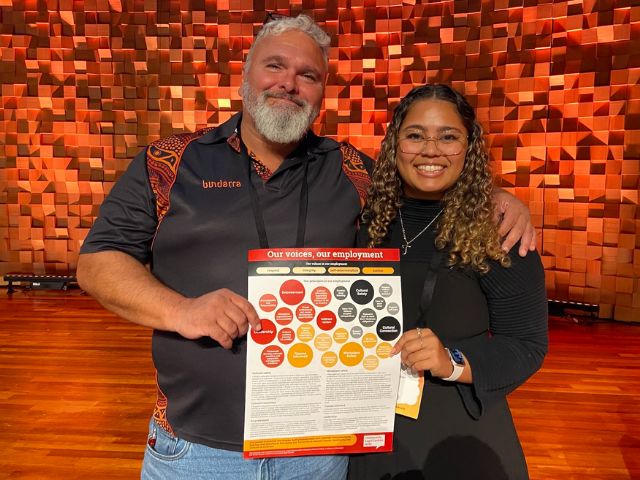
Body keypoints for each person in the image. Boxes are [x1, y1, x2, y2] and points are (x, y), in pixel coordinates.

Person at [76, 14, 536, 480]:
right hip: (197, 449)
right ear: (245, 75)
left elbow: (429, 175)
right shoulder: (169, 162)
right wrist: (181, 311)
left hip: (320, 450)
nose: (289, 84)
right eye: (275, 66)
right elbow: (97, 262)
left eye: (308, 75)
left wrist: (499, 198)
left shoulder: (355, 171)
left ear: (321, 92)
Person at [348, 84, 548, 479]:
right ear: (394, 143)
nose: (430, 150)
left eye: (448, 136)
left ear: (468, 148)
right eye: (415, 135)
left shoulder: (496, 229)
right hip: (365, 425)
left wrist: (452, 362)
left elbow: (527, 345)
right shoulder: (365, 217)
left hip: (452, 435)